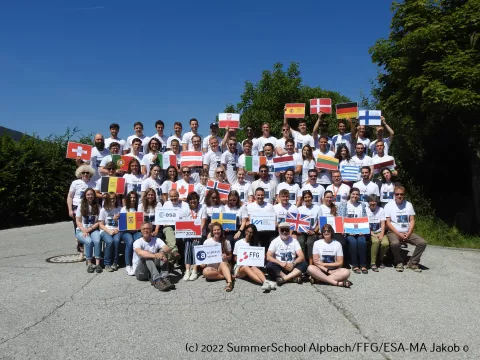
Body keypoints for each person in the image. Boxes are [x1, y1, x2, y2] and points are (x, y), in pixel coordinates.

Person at [385, 185, 427, 272]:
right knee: (395, 243)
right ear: (394, 195)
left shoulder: (408, 204)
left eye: (401, 194)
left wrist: (409, 232)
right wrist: (398, 234)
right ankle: (398, 261)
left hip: (407, 232)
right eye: (397, 194)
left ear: (404, 195)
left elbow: (412, 220)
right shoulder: (389, 205)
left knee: (422, 243)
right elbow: (387, 222)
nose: (399, 196)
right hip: (393, 232)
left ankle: (413, 262)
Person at [133, 222, 174, 292]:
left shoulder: (157, 240)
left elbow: (167, 249)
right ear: (141, 230)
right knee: (146, 255)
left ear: (151, 230)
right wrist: (155, 255)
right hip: (141, 273)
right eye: (144, 229)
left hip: (153, 270)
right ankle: (157, 281)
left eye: (148, 229)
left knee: (162, 252)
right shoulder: (137, 242)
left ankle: (165, 278)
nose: (146, 230)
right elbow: (140, 252)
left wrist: (162, 253)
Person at [233, 224, 275, 291]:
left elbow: (260, 258)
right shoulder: (238, 243)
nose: (248, 234)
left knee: (253, 267)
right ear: (245, 231)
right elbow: (235, 257)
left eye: (251, 232)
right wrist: (240, 260)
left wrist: (262, 257)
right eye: (247, 231)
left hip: (253, 266)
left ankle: (266, 282)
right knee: (246, 266)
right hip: (240, 268)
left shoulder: (257, 244)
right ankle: (265, 282)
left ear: (253, 234)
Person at [67, 164, 96, 260]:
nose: (85, 174)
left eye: (87, 172)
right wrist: (70, 209)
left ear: (90, 174)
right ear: (80, 173)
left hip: (89, 209)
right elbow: (70, 197)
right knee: (78, 230)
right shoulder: (75, 183)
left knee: (88, 229)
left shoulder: (93, 184)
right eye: (83, 172)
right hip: (77, 208)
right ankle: (81, 252)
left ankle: (90, 251)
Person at [338, 188, 368, 274]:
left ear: (359, 196)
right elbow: (340, 220)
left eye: (357, 194)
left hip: (360, 231)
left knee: (362, 241)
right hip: (348, 232)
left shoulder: (362, 205)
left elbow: (364, 219)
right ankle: (355, 265)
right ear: (350, 194)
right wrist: (347, 230)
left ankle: (363, 264)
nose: (355, 196)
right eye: (353, 194)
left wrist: (363, 230)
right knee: (353, 242)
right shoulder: (343, 205)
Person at [75, 188, 102, 273]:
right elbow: (78, 221)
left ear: (94, 196)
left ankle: (98, 264)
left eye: (91, 194)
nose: (90, 196)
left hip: (93, 229)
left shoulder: (98, 206)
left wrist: (90, 229)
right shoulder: (81, 206)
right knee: (89, 242)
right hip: (81, 230)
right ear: (85, 196)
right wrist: (84, 230)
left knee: (97, 241)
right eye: (88, 194)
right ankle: (89, 263)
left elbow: (99, 221)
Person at [202, 222, 235, 292]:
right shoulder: (207, 242)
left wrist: (226, 257)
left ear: (221, 230)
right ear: (212, 231)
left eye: (218, 230)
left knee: (223, 263)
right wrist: (203, 263)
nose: (216, 231)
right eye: (215, 230)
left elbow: (230, 256)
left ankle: (229, 282)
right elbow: (203, 256)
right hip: (212, 268)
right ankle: (226, 276)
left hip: (223, 265)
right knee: (205, 272)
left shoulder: (226, 242)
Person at [182, 191, 207, 281]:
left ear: (197, 200)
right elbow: (184, 224)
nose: (193, 201)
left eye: (195, 199)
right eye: (191, 199)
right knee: (188, 244)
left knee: (196, 244)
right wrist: (191, 234)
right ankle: (187, 270)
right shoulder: (185, 209)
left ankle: (195, 270)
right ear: (188, 201)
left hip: (200, 233)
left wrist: (197, 233)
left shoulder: (202, 208)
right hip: (188, 234)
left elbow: (203, 222)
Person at [161, 189, 188, 264]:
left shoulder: (185, 205)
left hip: (181, 227)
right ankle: (174, 251)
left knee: (177, 238)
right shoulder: (166, 204)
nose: (173, 198)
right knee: (169, 231)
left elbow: (188, 218)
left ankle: (172, 259)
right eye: (171, 196)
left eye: (175, 196)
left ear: (178, 196)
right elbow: (162, 217)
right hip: (169, 226)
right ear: (169, 197)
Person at [99, 192, 123, 272]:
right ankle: (107, 263)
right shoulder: (103, 210)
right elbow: (101, 225)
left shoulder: (120, 209)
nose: (112, 200)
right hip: (105, 230)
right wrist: (108, 231)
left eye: (114, 198)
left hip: (117, 229)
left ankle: (115, 262)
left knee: (116, 241)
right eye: (110, 199)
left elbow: (123, 223)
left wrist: (118, 229)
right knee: (110, 241)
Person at [120, 191, 142, 276]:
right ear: (128, 199)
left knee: (137, 241)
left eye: (134, 197)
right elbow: (121, 224)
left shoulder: (139, 209)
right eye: (131, 197)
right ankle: (128, 264)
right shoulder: (124, 209)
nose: (133, 199)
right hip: (126, 232)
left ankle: (136, 263)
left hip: (136, 231)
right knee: (129, 242)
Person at [366, 195, 389, 271]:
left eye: (374, 201)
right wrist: (372, 234)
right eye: (371, 201)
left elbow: (383, 223)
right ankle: (373, 262)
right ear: (368, 202)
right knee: (375, 242)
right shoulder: (365, 210)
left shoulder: (381, 210)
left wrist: (382, 235)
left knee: (385, 243)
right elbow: (364, 224)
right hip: (370, 232)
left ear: (377, 202)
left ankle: (380, 259)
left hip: (379, 231)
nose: (372, 203)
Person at [297, 190, 322, 258]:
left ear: (312, 197)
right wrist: (298, 230)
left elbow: (321, 222)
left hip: (313, 232)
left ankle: (311, 263)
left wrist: (314, 231)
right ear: (303, 199)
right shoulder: (299, 209)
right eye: (305, 197)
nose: (307, 199)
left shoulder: (318, 208)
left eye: (309, 197)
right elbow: (296, 223)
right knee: (300, 241)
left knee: (310, 242)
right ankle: (303, 261)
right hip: (302, 232)